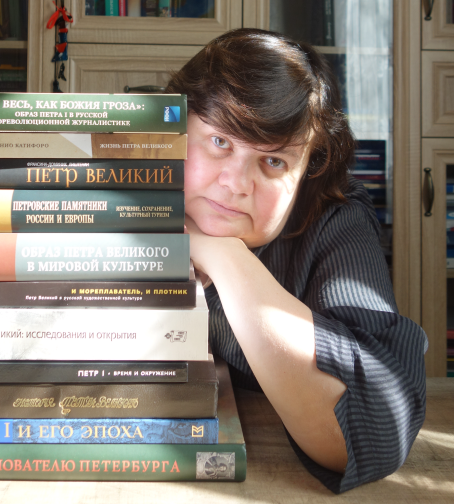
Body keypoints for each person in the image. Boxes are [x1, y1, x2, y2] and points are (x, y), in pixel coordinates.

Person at [165, 28, 428, 494]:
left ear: (308, 172)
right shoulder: (104, 195)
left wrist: (222, 256)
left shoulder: (332, 218)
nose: (235, 183)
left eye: (274, 162)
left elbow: (377, 429)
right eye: (220, 141)